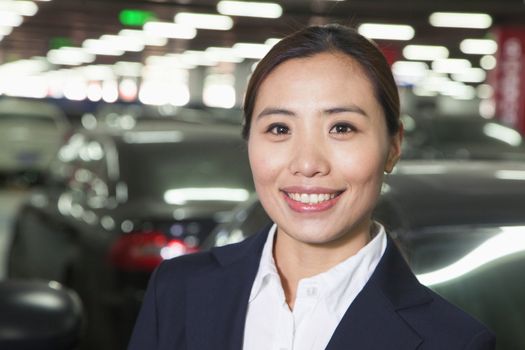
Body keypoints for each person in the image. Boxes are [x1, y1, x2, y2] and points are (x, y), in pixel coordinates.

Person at [127, 24, 495, 350]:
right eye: (279, 129)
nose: (307, 164)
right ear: (248, 142)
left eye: (342, 128)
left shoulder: (453, 341)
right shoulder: (178, 290)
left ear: (393, 146)